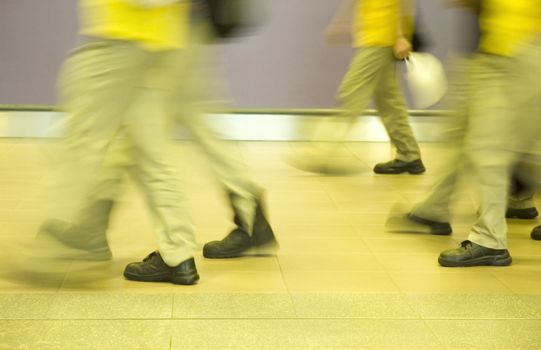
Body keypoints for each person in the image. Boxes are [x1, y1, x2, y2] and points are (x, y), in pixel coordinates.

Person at [38, 0, 278, 286]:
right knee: (158, 125)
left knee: (148, 128)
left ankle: (97, 226)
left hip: (164, 26)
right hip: (172, 27)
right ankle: (182, 240)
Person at [436, 0, 541, 266]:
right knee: (491, 149)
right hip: (497, 47)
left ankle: (490, 239)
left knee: (517, 153)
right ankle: (489, 239)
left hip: (523, 47)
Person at [289, 0, 425, 175]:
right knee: (388, 101)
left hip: (382, 37)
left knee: (351, 92)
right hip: (375, 37)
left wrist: (400, 36)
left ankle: (322, 151)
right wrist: (341, 22)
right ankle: (409, 155)